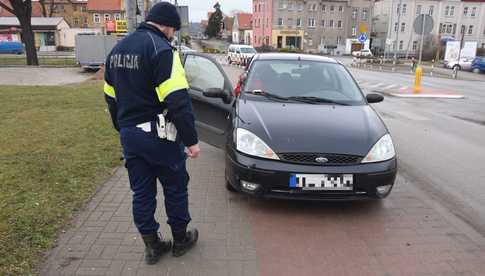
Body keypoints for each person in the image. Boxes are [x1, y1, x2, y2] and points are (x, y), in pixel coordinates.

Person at [103, 2, 200, 265]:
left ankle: (152, 245)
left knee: (142, 193)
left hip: (130, 135)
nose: (173, 35)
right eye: (173, 30)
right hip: (160, 137)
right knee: (175, 187)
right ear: (168, 26)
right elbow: (178, 101)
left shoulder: (117, 50)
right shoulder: (162, 50)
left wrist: (121, 127)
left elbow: (110, 96)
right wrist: (191, 141)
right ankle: (180, 240)